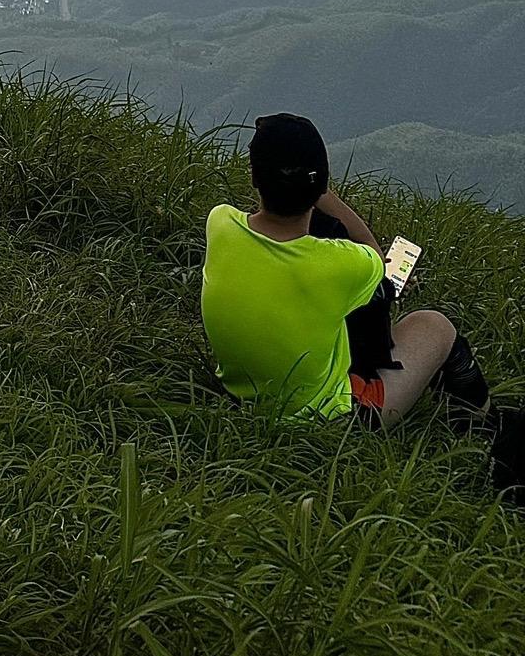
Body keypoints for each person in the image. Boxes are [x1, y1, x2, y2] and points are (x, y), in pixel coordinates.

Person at [201, 112, 479, 428]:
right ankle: (482, 427)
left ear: (254, 177)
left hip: (239, 397)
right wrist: (322, 189)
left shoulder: (219, 222)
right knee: (434, 326)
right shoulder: (342, 264)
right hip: (331, 422)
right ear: (319, 185)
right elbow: (374, 253)